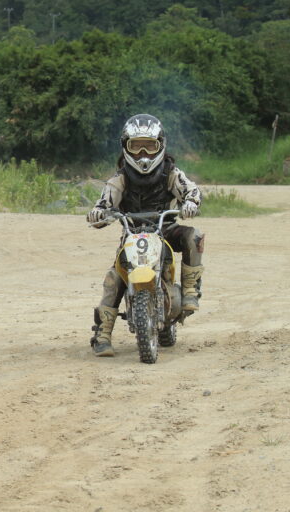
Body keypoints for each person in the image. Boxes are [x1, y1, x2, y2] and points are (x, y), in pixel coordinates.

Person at [86, 114, 204, 357]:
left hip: (165, 229)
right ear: (125, 147)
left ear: (161, 145)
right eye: (136, 146)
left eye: (149, 146)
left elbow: (191, 190)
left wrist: (191, 202)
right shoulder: (120, 178)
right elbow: (104, 203)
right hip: (133, 233)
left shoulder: (171, 173)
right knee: (114, 279)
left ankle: (190, 291)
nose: (143, 154)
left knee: (194, 235)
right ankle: (102, 334)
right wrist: (98, 214)